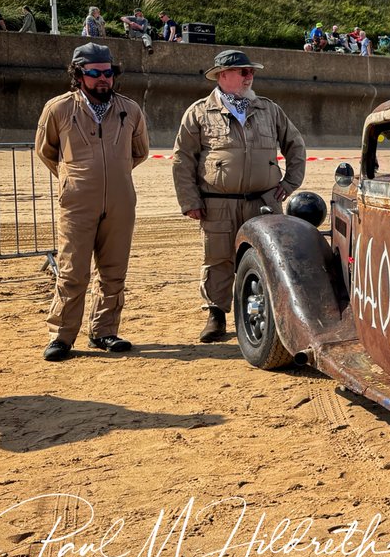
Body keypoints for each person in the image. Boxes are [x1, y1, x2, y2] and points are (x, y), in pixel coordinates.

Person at [172, 50, 306, 342]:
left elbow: (295, 145)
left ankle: (263, 315)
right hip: (217, 203)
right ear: (223, 75)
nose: (250, 77)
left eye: (251, 71)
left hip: (263, 203)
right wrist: (190, 201)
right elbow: (183, 160)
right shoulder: (199, 112)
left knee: (266, 258)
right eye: (243, 71)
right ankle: (216, 316)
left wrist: (289, 183)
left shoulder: (268, 109)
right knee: (218, 259)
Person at [36, 43, 148, 361]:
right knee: (73, 271)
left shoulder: (130, 110)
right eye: (95, 72)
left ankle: (104, 331)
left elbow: (139, 152)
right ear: (79, 74)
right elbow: (46, 151)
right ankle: (61, 336)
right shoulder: (58, 109)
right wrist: (75, 179)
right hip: (77, 202)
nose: (103, 79)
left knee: (114, 270)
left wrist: (114, 175)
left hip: (120, 201)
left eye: (108, 72)